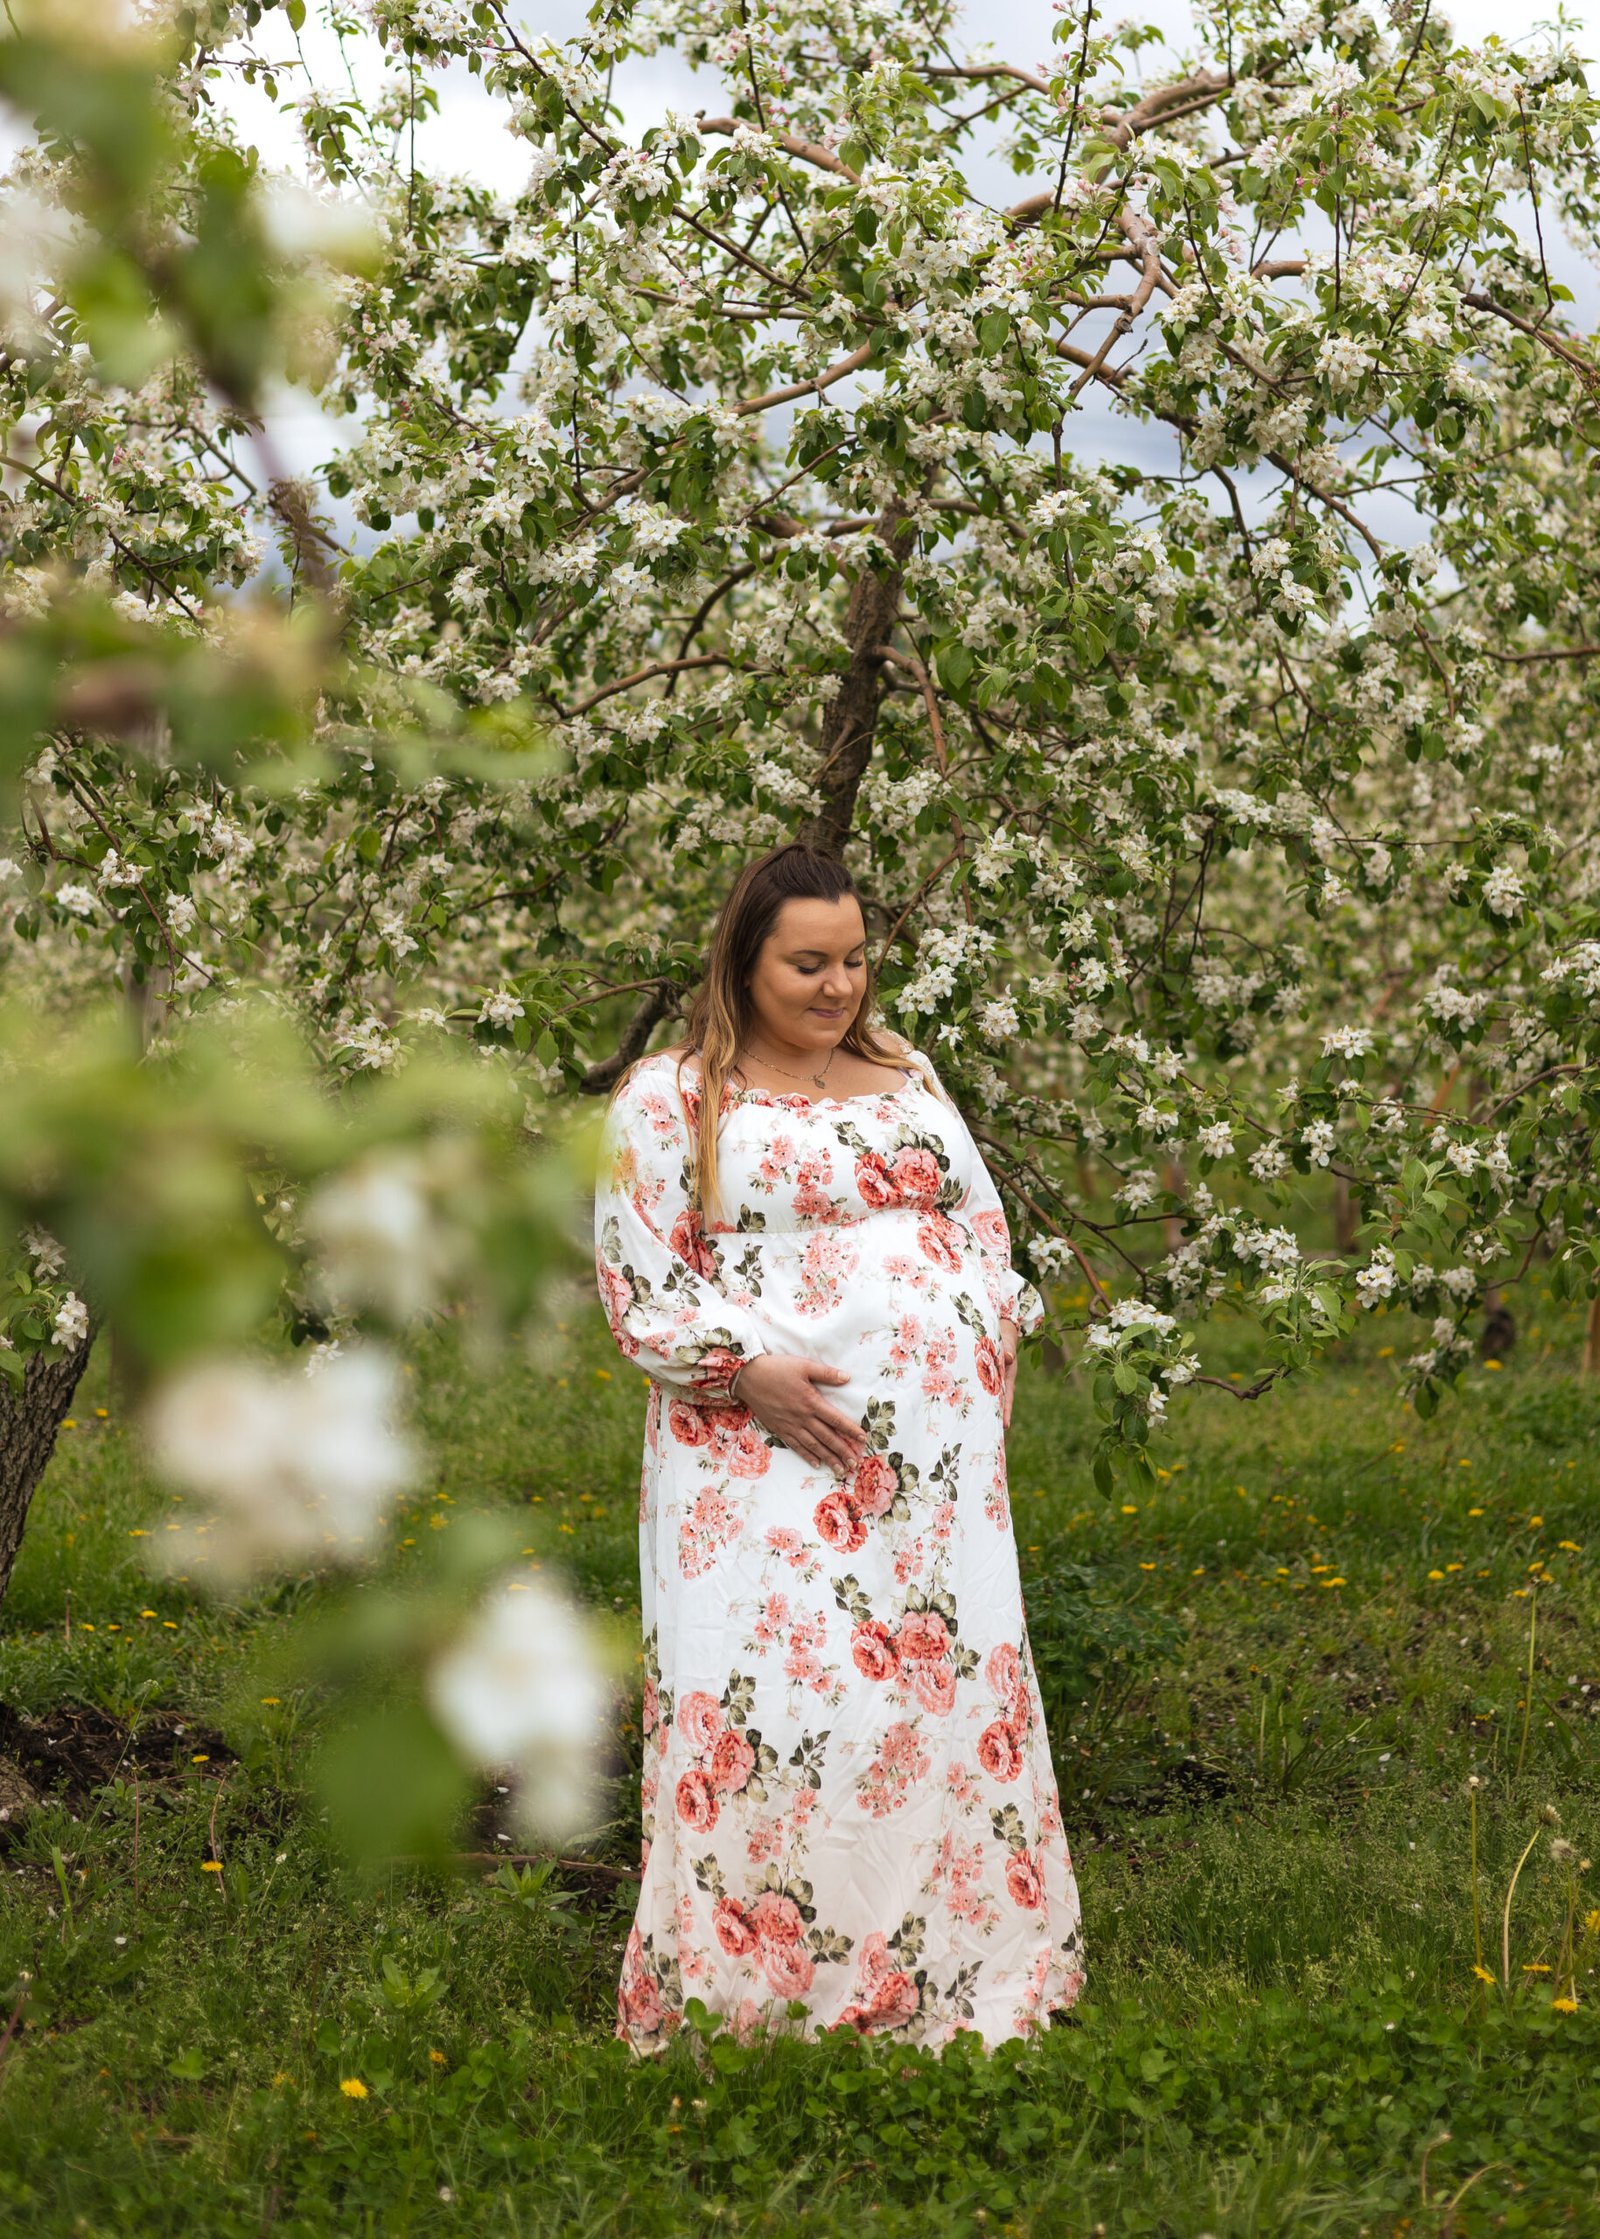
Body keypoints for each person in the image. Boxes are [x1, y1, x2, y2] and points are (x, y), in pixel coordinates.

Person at [593, 841, 1084, 2052]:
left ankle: (944, 1973)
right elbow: (637, 1278)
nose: (838, 986)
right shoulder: (672, 1098)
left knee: (925, 1704)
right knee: (783, 1701)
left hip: (935, 1475)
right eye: (807, 962)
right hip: (762, 1458)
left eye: (855, 958)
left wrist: (975, 1356)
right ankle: (762, 1997)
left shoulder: (904, 1072)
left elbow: (977, 1223)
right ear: (741, 961)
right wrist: (742, 1372)